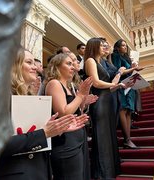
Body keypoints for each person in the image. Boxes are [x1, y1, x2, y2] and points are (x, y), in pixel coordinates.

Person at [0, 47, 88, 180]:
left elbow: (30, 133)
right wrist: (44, 133)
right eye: (29, 62)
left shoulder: (27, 96)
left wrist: (57, 129)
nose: (36, 67)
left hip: (37, 169)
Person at [44, 53, 93, 180]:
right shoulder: (54, 83)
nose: (73, 67)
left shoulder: (69, 86)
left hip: (76, 137)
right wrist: (81, 95)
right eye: (68, 63)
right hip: (65, 141)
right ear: (57, 66)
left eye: (73, 64)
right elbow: (64, 113)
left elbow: (78, 112)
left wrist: (83, 100)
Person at [84, 37, 126, 179]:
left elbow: (111, 82)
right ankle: (102, 174)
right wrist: (115, 85)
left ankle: (111, 170)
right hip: (100, 102)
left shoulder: (103, 62)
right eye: (101, 45)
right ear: (94, 46)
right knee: (101, 137)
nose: (104, 47)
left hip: (108, 101)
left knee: (109, 135)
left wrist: (119, 76)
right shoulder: (90, 61)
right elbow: (96, 83)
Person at [111, 39, 143, 149]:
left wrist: (134, 68)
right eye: (123, 45)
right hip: (122, 85)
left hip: (130, 84)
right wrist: (133, 68)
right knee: (123, 109)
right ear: (117, 47)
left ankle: (128, 139)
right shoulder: (115, 56)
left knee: (129, 111)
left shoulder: (127, 57)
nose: (125, 47)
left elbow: (129, 70)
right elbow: (118, 71)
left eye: (125, 45)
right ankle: (126, 139)